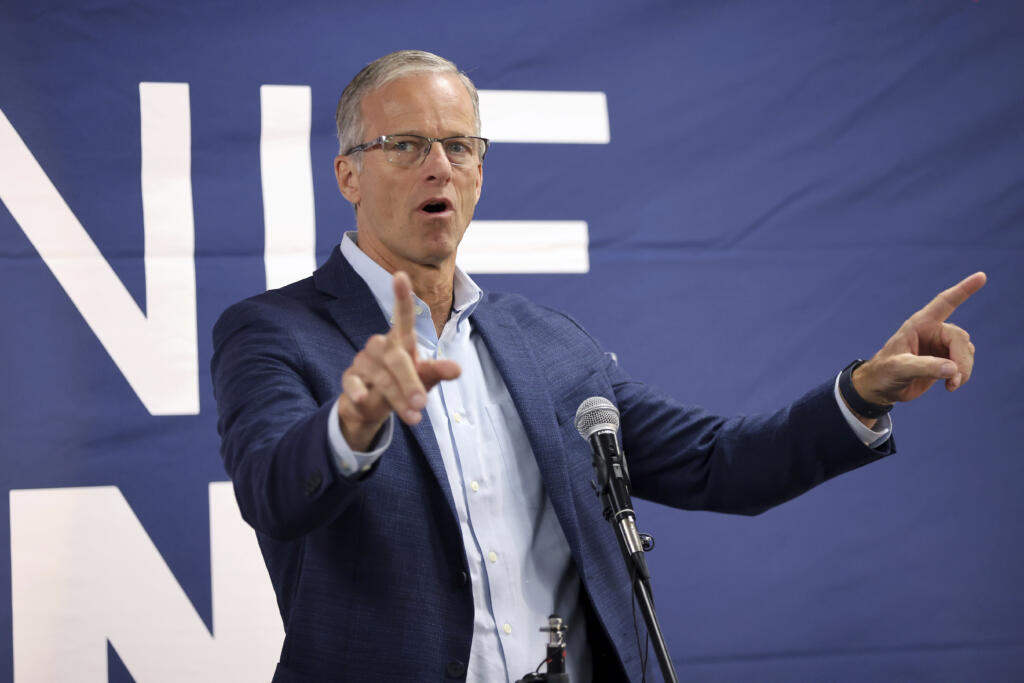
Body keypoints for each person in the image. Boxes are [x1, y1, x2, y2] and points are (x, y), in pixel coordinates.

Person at [211, 50, 984, 683]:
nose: (438, 166)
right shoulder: (274, 331)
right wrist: (353, 422)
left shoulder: (548, 342)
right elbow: (273, 490)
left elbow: (721, 463)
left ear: (481, 170)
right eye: (406, 145)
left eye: (459, 145)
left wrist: (861, 393)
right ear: (348, 174)